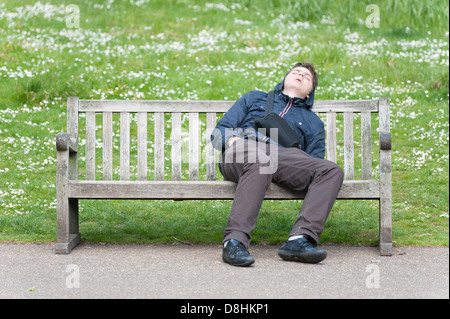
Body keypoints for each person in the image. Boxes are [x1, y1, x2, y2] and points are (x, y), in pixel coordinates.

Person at [210, 62, 344, 267]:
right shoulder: (254, 98)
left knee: (330, 170)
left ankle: (299, 240)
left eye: (306, 76)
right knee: (260, 160)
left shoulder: (313, 121)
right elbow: (220, 130)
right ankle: (234, 241)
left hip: (283, 157)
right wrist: (233, 141)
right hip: (242, 150)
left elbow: (313, 163)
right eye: (295, 72)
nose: (300, 75)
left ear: (310, 93)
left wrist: (293, 164)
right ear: (284, 79)